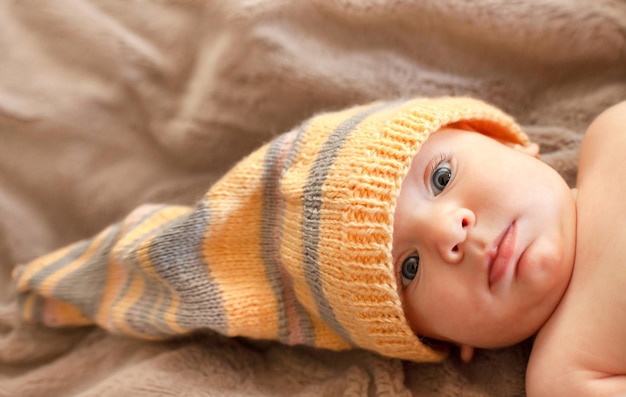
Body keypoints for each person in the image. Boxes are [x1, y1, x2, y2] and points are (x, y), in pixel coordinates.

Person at [10, 96, 626, 395]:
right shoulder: (567, 375)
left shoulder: (611, 136)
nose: (448, 235)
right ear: (446, 344)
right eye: (407, 270)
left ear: (509, 142)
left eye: (440, 177)